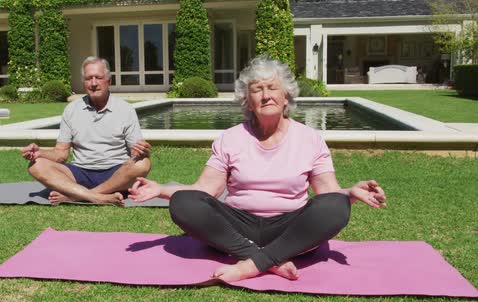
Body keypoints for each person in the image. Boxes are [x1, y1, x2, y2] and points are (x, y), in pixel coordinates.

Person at [128, 55, 386, 282]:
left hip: (290, 227)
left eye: (273, 87)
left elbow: (327, 192)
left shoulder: (310, 139)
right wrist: (160, 189)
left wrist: (350, 193)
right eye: (257, 90)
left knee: (335, 205)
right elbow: (205, 190)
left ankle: (250, 265)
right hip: (238, 227)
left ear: (286, 96)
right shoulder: (230, 138)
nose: (266, 95)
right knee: (184, 202)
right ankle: (268, 261)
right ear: (247, 101)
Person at [22, 56, 151, 206]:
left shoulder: (125, 109)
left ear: (109, 81)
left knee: (143, 164)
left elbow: (135, 152)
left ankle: (78, 196)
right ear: (84, 83)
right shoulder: (72, 109)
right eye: (89, 78)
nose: (94, 83)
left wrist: (142, 151)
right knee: (36, 165)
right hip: (80, 172)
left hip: (115, 173)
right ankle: (98, 197)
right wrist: (40, 153)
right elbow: (61, 154)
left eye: (98, 78)